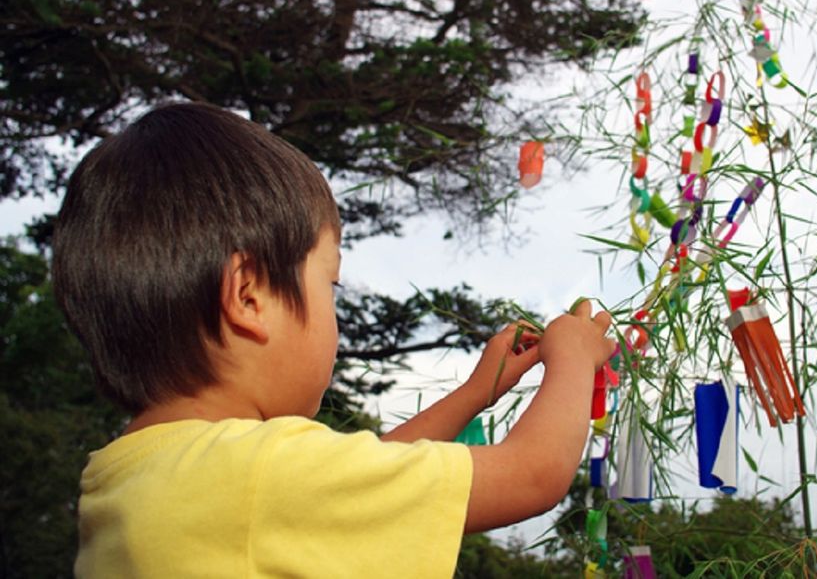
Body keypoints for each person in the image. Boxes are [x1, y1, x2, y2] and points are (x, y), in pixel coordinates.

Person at [52, 102, 615, 577]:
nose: (333, 307)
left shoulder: (128, 479)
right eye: (329, 282)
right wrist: (573, 359)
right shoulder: (259, 474)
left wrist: (475, 393)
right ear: (248, 297)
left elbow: (367, 471)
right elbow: (532, 476)